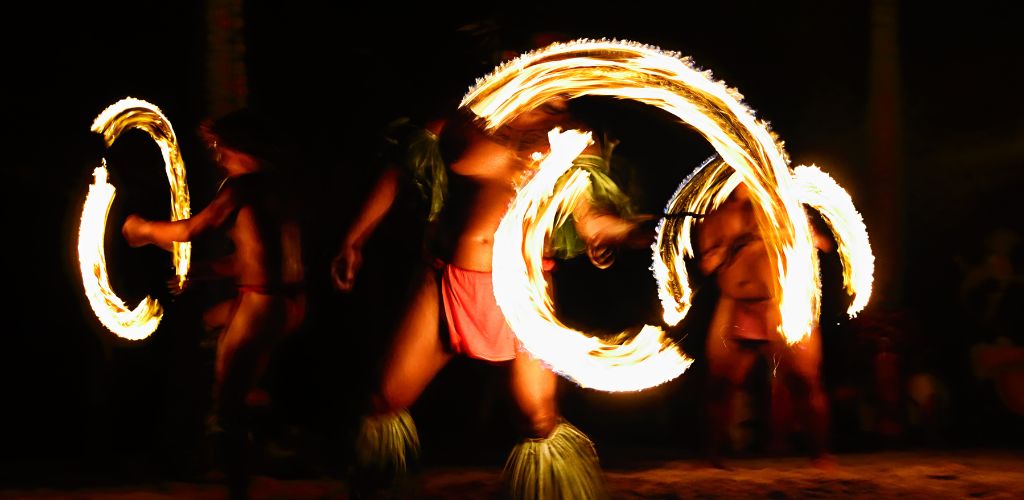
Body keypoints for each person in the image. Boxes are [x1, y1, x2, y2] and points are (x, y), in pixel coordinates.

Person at [332, 94, 650, 497]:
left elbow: (591, 221)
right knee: (384, 398)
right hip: (445, 280)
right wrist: (354, 239)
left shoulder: (572, 137)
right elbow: (398, 170)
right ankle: (375, 487)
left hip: (523, 292)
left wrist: (630, 232)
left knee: (537, 418)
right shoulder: (461, 118)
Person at [122, 108, 306, 499]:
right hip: (288, 302)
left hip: (262, 305)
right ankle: (265, 417)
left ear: (235, 145)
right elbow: (255, 258)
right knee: (209, 323)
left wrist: (141, 230)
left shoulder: (241, 188)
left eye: (217, 145)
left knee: (229, 404)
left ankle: (242, 470)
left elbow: (190, 230)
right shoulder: (277, 185)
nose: (215, 154)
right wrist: (202, 272)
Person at [694, 182, 835, 469]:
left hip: (781, 304)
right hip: (736, 304)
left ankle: (820, 454)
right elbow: (707, 265)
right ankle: (711, 456)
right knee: (719, 385)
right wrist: (735, 244)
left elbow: (823, 244)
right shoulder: (717, 216)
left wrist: (799, 235)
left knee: (805, 380)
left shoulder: (783, 209)